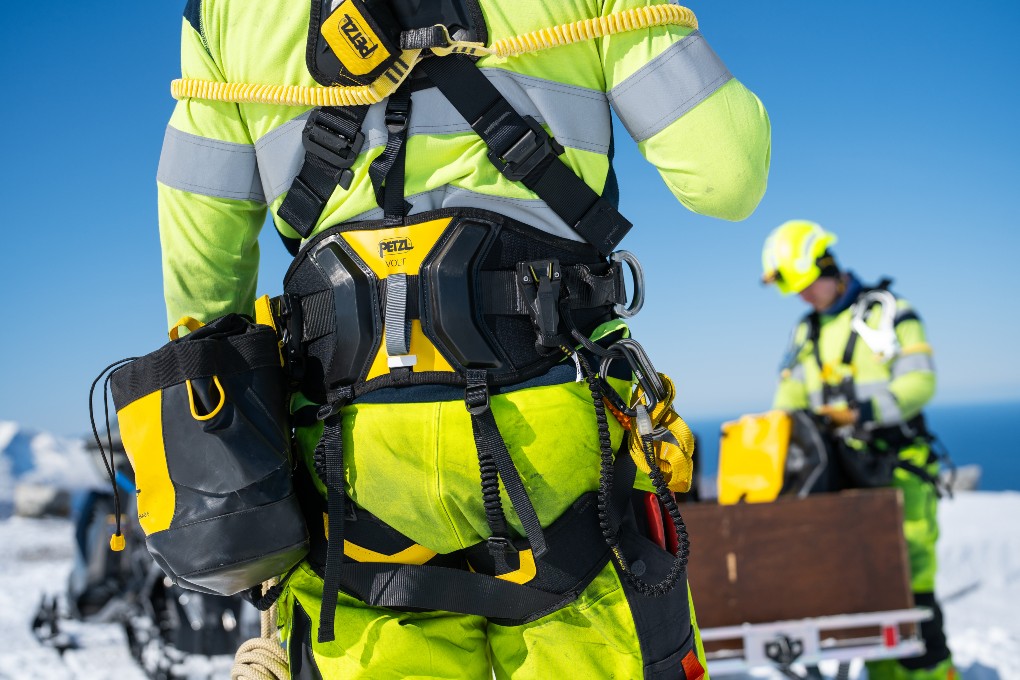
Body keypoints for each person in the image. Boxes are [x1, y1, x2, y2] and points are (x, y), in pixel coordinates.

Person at [156, 0, 771, 677]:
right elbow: (726, 176)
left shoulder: (217, 10)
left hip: (351, 462)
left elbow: (203, 294)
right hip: (556, 436)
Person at [762, 220, 955, 680]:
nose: (802, 297)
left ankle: (929, 672)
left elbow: (920, 382)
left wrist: (860, 413)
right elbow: (786, 404)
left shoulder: (888, 314)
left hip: (899, 468)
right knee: (865, 584)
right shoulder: (804, 333)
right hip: (840, 475)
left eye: (806, 285)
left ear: (826, 265)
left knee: (910, 578)